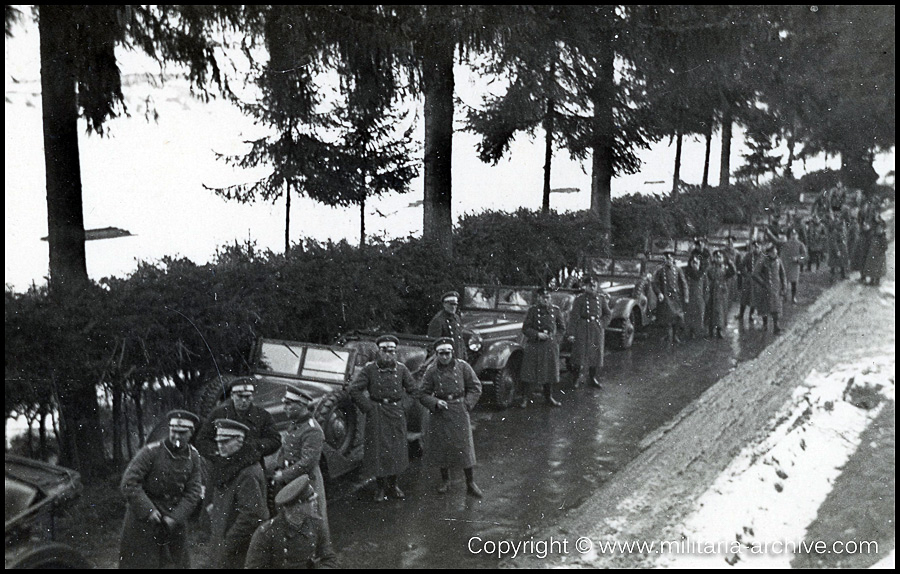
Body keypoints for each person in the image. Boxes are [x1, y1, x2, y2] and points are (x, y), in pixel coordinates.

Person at [119, 410, 203, 569]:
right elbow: (129, 483)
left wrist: (176, 517)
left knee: (176, 564)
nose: (176, 436)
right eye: (174, 431)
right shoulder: (151, 451)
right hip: (143, 519)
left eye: (182, 433)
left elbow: (194, 492)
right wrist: (148, 510)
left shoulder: (194, 456)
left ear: (191, 433)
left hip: (174, 518)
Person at [349, 334, 420, 502]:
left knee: (397, 449)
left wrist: (404, 406)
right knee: (378, 451)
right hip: (377, 413)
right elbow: (354, 390)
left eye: (392, 351)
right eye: (385, 351)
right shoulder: (369, 369)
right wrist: (368, 407)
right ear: (378, 352)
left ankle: (393, 485)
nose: (389, 354)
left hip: (396, 413)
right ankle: (380, 487)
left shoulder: (402, 369)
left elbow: (414, 391)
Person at [419, 337, 484, 497]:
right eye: (441, 353)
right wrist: (435, 402)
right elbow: (422, 393)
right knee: (442, 447)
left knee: (464, 447)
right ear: (436, 354)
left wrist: (467, 404)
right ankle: (445, 481)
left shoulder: (463, 367)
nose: (445, 357)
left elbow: (475, 387)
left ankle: (470, 483)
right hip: (440, 412)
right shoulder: (432, 371)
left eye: (448, 353)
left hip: (459, 410)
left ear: (452, 353)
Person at [207, 418, 270, 569]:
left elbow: (253, 515)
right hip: (225, 542)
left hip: (239, 548)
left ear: (239, 441)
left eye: (225, 441)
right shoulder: (229, 463)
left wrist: (227, 542)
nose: (220, 446)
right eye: (218, 441)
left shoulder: (247, 472)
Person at [273, 387, 330, 544]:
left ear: (302, 405)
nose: (285, 408)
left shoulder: (313, 430)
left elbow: (308, 462)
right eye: (285, 404)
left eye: (289, 404)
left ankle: (313, 552)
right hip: (291, 476)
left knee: (309, 517)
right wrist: (279, 466)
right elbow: (284, 448)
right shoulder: (294, 424)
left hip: (306, 481)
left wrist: (283, 475)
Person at [245, 475, 337, 569]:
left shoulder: (316, 524)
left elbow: (329, 559)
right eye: (311, 501)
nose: (316, 503)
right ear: (297, 507)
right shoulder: (266, 534)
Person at [194, 376, 282, 474]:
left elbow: (275, 440)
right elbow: (202, 440)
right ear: (232, 395)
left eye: (247, 396)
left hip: (251, 466)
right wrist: (220, 450)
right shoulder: (218, 414)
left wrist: (255, 446)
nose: (244, 400)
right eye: (240, 396)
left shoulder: (263, 415)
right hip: (223, 467)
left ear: (252, 396)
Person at [520, 286, 566, 407]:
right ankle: (525, 398)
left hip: (549, 345)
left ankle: (549, 397)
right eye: (543, 297)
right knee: (529, 373)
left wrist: (556, 340)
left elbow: (562, 328)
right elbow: (525, 328)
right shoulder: (533, 311)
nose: (546, 300)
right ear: (538, 298)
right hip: (534, 344)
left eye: (548, 297)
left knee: (549, 372)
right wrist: (537, 334)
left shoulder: (555, 310)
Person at [569, 275, 611, 388]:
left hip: (596, 329)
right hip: (582, 328)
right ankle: (576, 378)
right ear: (585, 286)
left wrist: (602, 324)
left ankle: (592, 377)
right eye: (589, 286)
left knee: (595, 354)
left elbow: (607, 314)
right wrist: (572, 333)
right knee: (579, 354)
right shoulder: (579, 299)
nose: (592, 288)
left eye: (594, 286)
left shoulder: (601, 299)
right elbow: (574, 317)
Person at [652, 250, 689, 345]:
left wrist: (686, 295)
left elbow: (684, 283)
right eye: (667, 258)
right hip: (665, 297)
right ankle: (668, 336)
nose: (669, 260)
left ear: (673, 259)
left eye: (671, 258)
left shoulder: (678, 270)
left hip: (676, 297)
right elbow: (655, 284)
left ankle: (675, 335)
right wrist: (659, 293)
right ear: (665, 259)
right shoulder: (660, 271)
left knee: (678, 317)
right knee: (667, 318)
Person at [753, 244, 788, 334]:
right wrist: (763, 283)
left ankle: (776, 327)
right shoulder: (762, 261)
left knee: (776, 308)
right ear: (768, 253)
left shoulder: (778, 261)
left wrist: (784, 286)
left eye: (775, 251)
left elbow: (782, 274)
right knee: (765, 308)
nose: (774, 253)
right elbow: (755, 274)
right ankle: (765, 325)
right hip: (765, 289)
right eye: (772, 252)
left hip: (776, 288)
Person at [705, 250, 736, 339]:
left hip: (722, 292)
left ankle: (719, 330)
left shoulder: (725, 268)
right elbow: (709, 276)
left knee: (721, 312)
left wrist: (730, 263)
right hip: (713, 292)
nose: (718, 259)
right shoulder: (711, 268)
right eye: (717, 257)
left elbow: (733, 272)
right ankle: (711, 330)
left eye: (720, 257)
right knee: (711, 311)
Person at [427, 291, 466, 357]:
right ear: (444, 304)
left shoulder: (456, 318)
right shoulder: (438, 320)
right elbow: (433, 344)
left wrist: (464, 355)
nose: (453, 307)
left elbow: (460, 340)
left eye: (455, 304)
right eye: (451, 304)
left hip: (457, 357)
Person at [736, 240, 763, 325]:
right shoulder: (748, 256)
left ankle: (751, 314)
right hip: (748, 280)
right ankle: (741, 314)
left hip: (757, 280)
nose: (756, 249)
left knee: (754, 298)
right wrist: (746, 274)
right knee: (744, 298)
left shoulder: (763, 257)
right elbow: (741, 266)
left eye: (758, 247)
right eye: (754, 247)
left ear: (761, 247)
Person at [683, 254, 708, 340]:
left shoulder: (703, 274)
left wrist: (705, 299)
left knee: (699, 315)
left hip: (699, 298)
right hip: (689, 298)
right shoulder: (687, 273)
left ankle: (698, 332)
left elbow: (706, 287)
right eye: (693, 262)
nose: (695, 264)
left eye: (697, 262)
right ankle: (690, 332)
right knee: (689, 316)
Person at [780, 228, 808, 303]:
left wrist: (798, 258)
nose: (793, 236)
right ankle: (784, 297)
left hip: (795, 266)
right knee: (784, 282)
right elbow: (781, 253)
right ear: (789, 236)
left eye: (795, 235)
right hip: (786, 265)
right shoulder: (785, 244)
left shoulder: (800, 244)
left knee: (794, 283)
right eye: (792, 235)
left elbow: (804, 255)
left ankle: (793, 297)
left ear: (797, 236)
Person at [861, 215, 888, 286]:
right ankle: (872, 280)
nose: (878, 230)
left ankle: (877, 281)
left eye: (880, 229)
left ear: (882, 229)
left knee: (878, 269)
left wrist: (881, 250)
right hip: (873, 254)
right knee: (872, 268)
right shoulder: (874, 235)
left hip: (879, 255)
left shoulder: (882, 237)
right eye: (877, 228)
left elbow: (885, 246)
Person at [826, 215, 849, 280]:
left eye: (843, 225)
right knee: (834, 263)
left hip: (842, 248)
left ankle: (843, 275)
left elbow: (845, 239)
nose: (843, 226)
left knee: (842, 262)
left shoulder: (843, 231)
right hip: (837, 249)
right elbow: (834, 242)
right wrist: (837, 250)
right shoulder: (835, 232)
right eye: (842, 225)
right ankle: (832, 276)